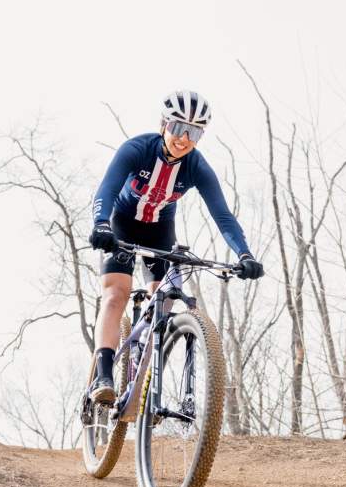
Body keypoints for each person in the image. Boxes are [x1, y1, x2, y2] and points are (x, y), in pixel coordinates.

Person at [88, 90, 264, 403]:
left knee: (166, 300)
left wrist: (245, 254)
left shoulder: (196, 166)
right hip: (123, 226)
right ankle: (103, 374)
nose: (184, 138)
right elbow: (107, 189)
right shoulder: (138, 149)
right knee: (116, 295)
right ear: (164, 125)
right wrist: (101, 224)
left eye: (194, 132)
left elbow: (222, 215)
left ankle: (144, 369)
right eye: (179, 128)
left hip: (160, 232)